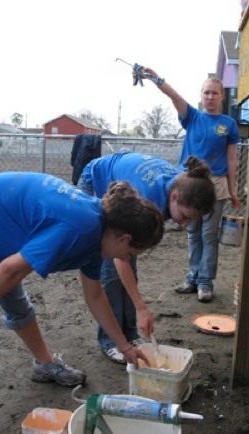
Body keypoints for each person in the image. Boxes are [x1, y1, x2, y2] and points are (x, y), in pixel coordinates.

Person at [0, 171, 164, 385]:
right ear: (124, 238)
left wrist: (125, 346)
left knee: (18, 306)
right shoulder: (80, 228)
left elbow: (95, 297)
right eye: (129, 254)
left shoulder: (99, 234)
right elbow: (10, 270)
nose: (124, 258)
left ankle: (45, 366)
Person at [78, 152, 215, 363]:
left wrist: (139, 306)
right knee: (111, 270)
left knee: (129, 266)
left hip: (129, 184)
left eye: (192, 220)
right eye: (185, 217)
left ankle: (130, 334)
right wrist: (142, 307)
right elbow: (119, 259)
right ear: (174, 198)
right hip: (95, 181)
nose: (186, 224)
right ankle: (110, 341)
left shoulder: (188, 184)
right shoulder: (147, 199)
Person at [135, 65, 241, 302]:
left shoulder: (228, 124)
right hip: (190, 182)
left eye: (215, 93)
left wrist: (233, 190)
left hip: (216, 185)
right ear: (201, 95)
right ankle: (193, 277)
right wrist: (154, 77)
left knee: (209, 235)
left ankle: (205, 282)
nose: (210, 97)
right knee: (192, 232)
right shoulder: (192, 116)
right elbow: (173, 95)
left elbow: (232, 159)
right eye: (207, 93)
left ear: (222, 96)